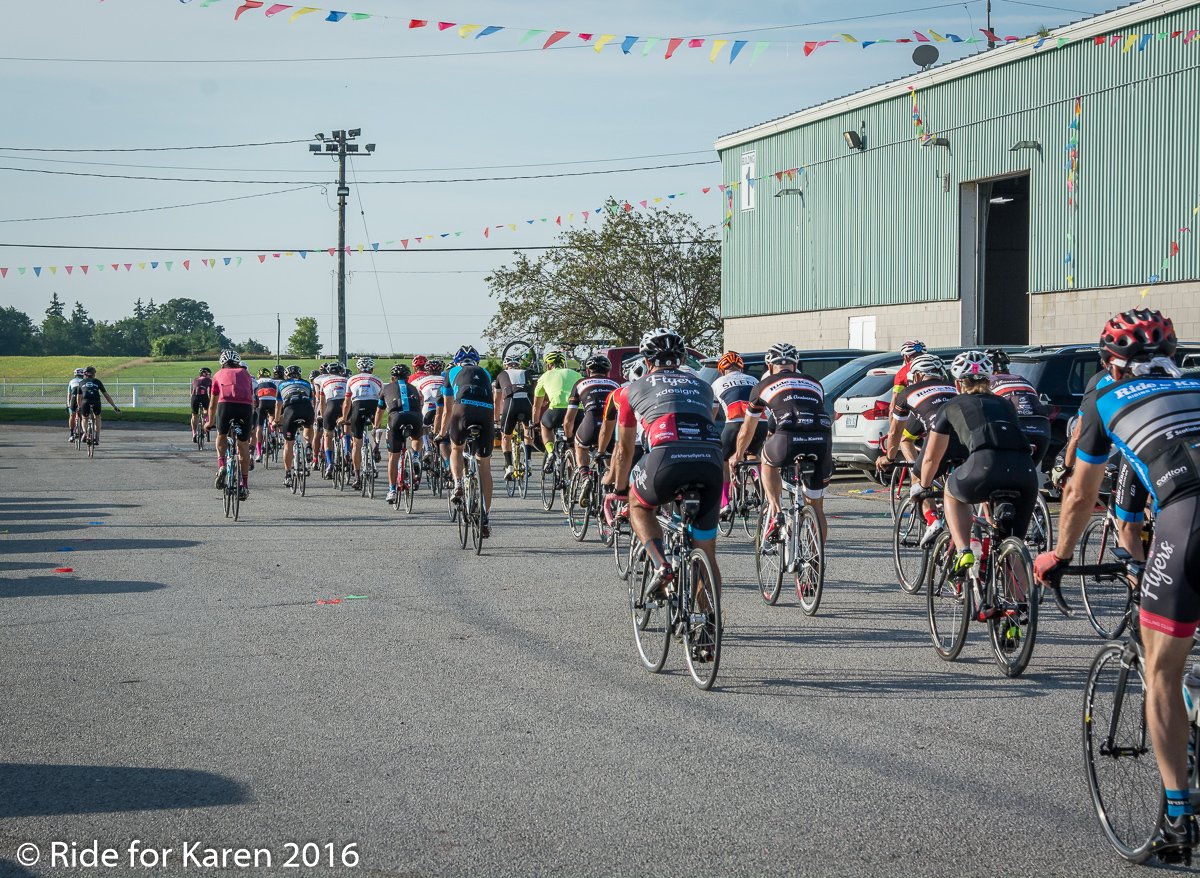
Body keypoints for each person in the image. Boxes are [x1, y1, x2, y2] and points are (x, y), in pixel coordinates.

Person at [1035, 309, 1200, 859]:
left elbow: (1082, 495)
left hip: (1189, 516)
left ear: (1110, 361)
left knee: (1162, 667)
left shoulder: (1104, 396)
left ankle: (1178, 818)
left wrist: (1059, 555)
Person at [611, 328, 723, 640]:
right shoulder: (703, 386)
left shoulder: (631, 389)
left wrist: (621, 489)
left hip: (666, 458)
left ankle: (662, 565)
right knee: (706, 553)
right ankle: (709, 622)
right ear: (684, 358)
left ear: (646, 361)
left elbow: (624, 449)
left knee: (639, 507)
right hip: (711, 461)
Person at [915, 350, 1038, 582]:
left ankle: (964, 552)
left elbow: (931, 457)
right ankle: (1017, 610)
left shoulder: (952, 405)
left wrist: (923, 485)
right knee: (1012, 547)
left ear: (959, 383)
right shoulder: (1006, 404)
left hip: (984, 465)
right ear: (988, 379)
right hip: (1025, 471)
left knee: (952, 492)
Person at [734, 342, 833, 544]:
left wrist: (737, 455)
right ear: (795, 366)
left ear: (770, 367)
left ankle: (776, 510)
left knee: (766, 459)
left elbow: (747, 429)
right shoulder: (815, 383)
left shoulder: (762, 386)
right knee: (816, 507)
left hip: (787, 438)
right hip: (822, 440)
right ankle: (814, 562)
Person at [878, 353, 958, 545]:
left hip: (937, 438)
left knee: (920, 478)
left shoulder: (909, 391)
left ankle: (932, 519)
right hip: (966, 441)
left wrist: (889, 457)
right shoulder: (955, 389)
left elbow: (895, 432)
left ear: (918, 376)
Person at [439, 345, 494, 537]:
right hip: (486, 412)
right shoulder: (485, 372)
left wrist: (441, 432)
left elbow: (447, 409)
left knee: (456, 448)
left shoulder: (451, 372)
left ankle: (458, 483)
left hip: (462, 410)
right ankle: (485, 516)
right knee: (484, 465)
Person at [711, 351, 765, 519]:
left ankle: (725, 503)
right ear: (741, 369)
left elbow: (713, 412)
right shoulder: (754, 380)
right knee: (752, 454)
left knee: (723, 459)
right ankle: (762, 491)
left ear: (722, 370)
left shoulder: (717, 382)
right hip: (760, 422)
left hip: (734, 424)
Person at [986, 348, 1052, 468]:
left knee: (1001, 471)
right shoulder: (1023, 380)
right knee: (1029, 472)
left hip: (1014, 426)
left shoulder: (988, 382)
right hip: (1041, 428)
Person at [206, 350, 254, 500]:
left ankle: (221, 464)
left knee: (221, 435)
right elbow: (252, 397)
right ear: (238, 362)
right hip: (245, 408)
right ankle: (244, 485)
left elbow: (213, 404)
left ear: (222, 363)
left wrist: (210, 422)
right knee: (243, 443)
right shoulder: (246, 374)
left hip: (225, 406)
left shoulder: (217, 375)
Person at [563, 354, 619, 476]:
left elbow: (568, 420)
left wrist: (569, 439)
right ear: (608, 371)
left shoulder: (580, 383)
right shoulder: (615, 385)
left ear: (588, 371)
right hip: (610, 428)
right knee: (607, 454)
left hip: (590, 423)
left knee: (580, 447)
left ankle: (585, 477)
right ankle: (609, 481)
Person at [381, 363, 425, 505]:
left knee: (393, 456)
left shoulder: (386, 388)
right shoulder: (415, 389)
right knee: (417, 437)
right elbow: (421, 406)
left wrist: (376, 427)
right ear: (407, 378)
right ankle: (416, 457)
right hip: (415, 417)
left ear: (392, 378)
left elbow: (379, 411)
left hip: (396, 418)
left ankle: (392, 490)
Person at [533, 350, 583, 473]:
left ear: (549, 365)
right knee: (572, 445)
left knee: (545, 425)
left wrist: (535, 424)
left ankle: (550, 452)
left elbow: (536, 406)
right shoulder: (576, 374)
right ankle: (573, 477)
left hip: (556, 411)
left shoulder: (545, 376)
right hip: (577, 411)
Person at [340, 357, 384, 491]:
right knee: (376, 426)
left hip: (358, 406)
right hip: (373, 405)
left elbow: (347, 403)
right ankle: (376, 446)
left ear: (358, 369)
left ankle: (357, 477)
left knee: (356, 444)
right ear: (372, 369)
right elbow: (382, 403)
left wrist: (344, 417)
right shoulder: (379, 380)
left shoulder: (351, 379)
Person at [492, 354, 534, 481]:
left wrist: (496, 419)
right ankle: (528, 461)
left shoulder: (501, 374)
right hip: (527, 402)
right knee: (528, 430)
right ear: (518, 365)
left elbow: (497, 400)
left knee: (506, 435)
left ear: (506, 365)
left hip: (511, 403)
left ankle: (509, 465)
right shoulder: (526, 373)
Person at [274, 365, 315, 488]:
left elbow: (278, 404)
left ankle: (288, 475)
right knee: (308, 427)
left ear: (287, 375)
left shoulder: (282, 384)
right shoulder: (306, 383)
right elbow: (312, 401)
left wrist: (276, 420)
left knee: (288, 444)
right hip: (307, 410)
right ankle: (308, 445)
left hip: (290, 412)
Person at [314, 362, 348, 479]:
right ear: (341, 372)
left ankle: (330, 463)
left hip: (331, 406)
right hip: (344, 404)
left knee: (328, 435)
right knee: (347, 428)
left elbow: (322, 401)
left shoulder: (324, 381)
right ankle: (347, 451)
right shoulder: (346, 380)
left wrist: (324, 417)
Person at [73, 365, 121, 444]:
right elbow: (106, 395)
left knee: (84, 418)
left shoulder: (81, 383)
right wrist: (114, 406)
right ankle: (97, 437)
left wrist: (79, 406)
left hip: (85, 401)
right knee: (97, 417)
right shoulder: (98, 382)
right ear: (94, 374)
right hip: (96, 401)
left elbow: (79, 397)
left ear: (85, 374)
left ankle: (85, 433)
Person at [253, 368, 278, 461]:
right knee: (272, 416)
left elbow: (254, 396)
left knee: (259, 427)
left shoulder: (257, 381)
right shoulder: (273, 381)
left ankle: (259, 453)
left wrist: (255, 407)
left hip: (261, 402)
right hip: (272, 401)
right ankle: (272, 430)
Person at [190, 367, 213, 443]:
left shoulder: (194, 380)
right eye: (209, 374)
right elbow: (211, 392)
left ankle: (194, 433)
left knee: (194, 415)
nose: (210, 376)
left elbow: (191, 392)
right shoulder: (209, 380)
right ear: (205, 373)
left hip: (194, 397)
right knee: (207, 412)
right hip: (203, 397)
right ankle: (205, 427)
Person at [67, 367, 85, 441]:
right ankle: (84, 432)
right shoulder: (84, 381)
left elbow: (69, 394)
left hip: (74, 398)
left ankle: (71, 434)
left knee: (72, 415)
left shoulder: (71, 381)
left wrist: (68, 404)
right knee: (84, 416)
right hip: (83, 398)